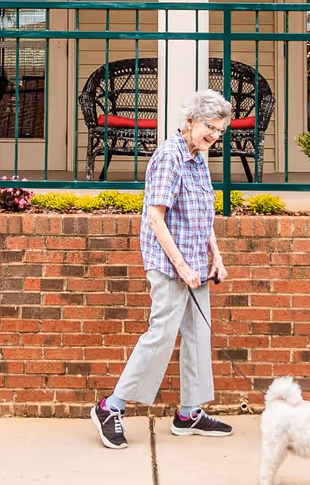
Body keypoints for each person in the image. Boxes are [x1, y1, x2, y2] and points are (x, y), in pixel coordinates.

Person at [92, 88, 235, 448]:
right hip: (171, 265)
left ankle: (189, 413)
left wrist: (215, 257)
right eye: (210, 128)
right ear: (189, 121)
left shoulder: (198, 155)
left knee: (198, 336)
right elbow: (156, 219)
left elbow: (204, 215)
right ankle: (111, 406)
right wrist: (183, 266)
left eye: (220, 131)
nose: (214, 136)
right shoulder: (168, 158)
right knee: (160, 335)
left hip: (195, 264)